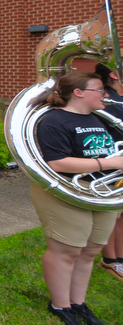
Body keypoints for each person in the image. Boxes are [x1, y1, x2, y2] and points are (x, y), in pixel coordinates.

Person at [34, 72, 120, 325]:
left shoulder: (103, 118)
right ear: (79, 93)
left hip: (103, 191)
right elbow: (57, 161)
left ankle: (78, 303)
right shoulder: (53, 120)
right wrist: (110, 163)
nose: (105, 94)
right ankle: (60, 306)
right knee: (67, 250)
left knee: (90, 250)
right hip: (67, 192)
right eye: (99, 89)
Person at [91, 63, 123, 282]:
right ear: (113, 74)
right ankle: (111, 259)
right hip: (113, 165)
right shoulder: (109, 101)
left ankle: (119, 257)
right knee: (114, 213)